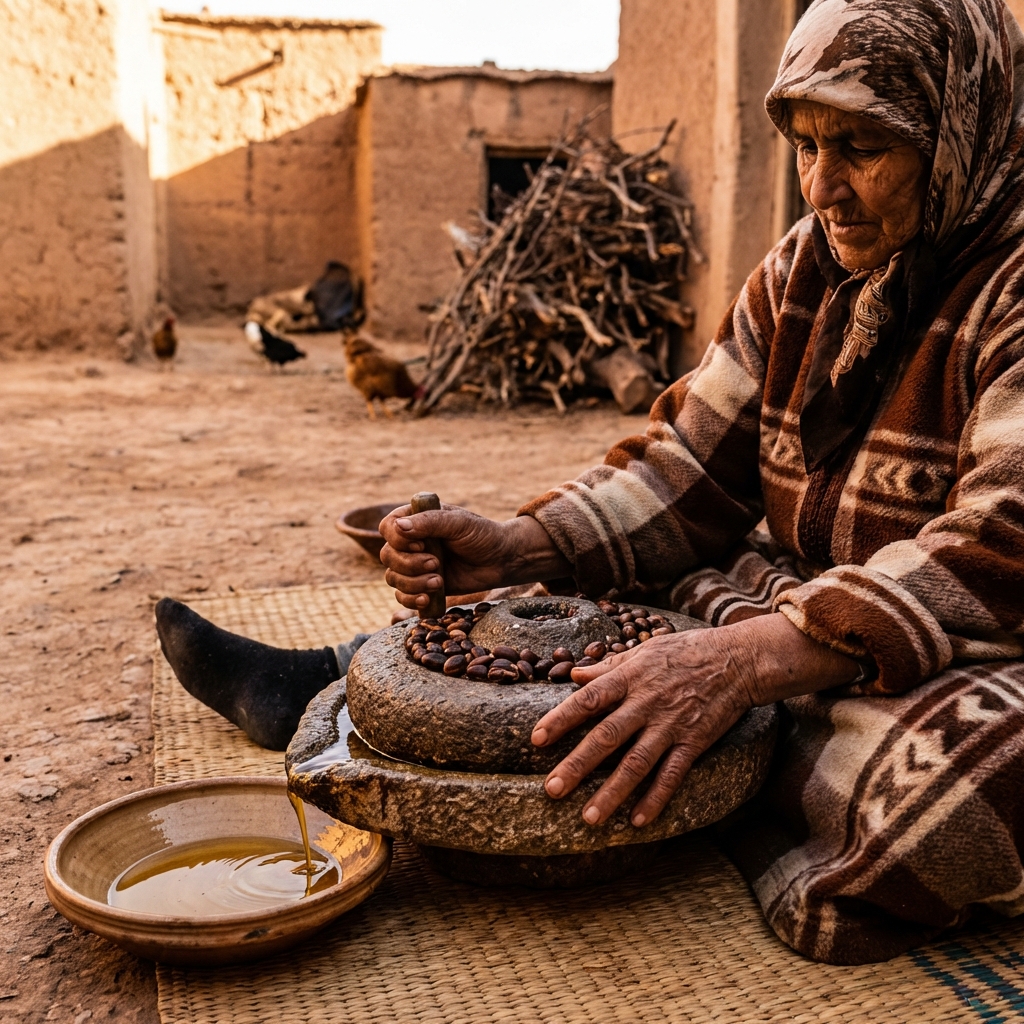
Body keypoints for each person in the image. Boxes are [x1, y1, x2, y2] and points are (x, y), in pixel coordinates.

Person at [158, 0, 1024, 965]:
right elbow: (691, 464)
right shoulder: (803, 270)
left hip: (967, 646)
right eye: (807, 145)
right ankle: (359, 682)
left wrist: (742, 665)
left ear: (955, 130)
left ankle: (599, 744)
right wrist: (524, 544)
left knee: (950, 789)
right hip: (785, 607)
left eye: (863, 147)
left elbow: (1001, 546)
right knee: (593, 599)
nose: (823, 187)